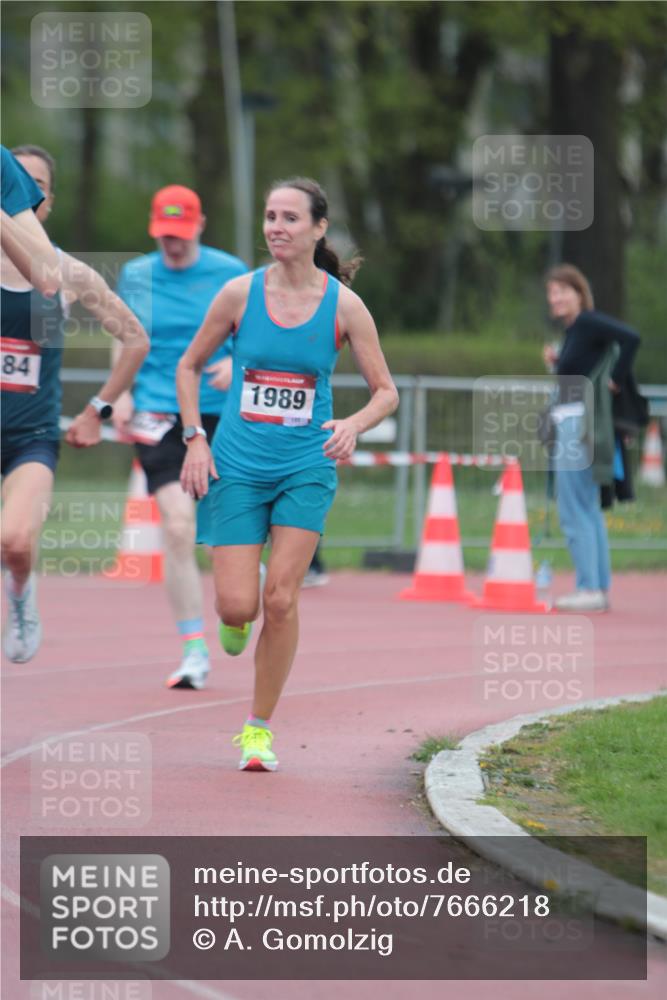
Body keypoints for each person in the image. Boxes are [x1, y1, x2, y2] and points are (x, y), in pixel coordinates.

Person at [178, 176, 399, 772]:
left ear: (319, 228)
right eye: (271, 216)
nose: (276, 227)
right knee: (237, 607)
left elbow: (386, 392)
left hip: (306, 465)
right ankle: (235, 614)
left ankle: (257, 729)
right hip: (237, 465)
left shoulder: (344, 307)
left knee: (280, 599)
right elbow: (190, 366)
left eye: (290, 218)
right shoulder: (238, 295)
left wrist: (353, 424)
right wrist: (195, 437)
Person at [1, 145, 149, 663]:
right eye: (14, 184)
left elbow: (135, 338)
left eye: (34, 187)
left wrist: (98, 409)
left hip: (29, 437)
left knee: (15, 541)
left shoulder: (66, 274)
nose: (22, 195)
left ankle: (21, 593)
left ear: (48, 201)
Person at [113, 185, 247, 690]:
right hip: (158, 411)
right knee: (176, 525)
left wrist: (235, 364)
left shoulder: (230, 272)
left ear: (200, 226)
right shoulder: (137, 275)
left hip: (220, 413)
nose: (173, 243)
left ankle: (239, 600)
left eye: (181, 234)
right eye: (165, 235)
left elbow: (255, 334)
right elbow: (124, 335)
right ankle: (194, 649)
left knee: (225, 537)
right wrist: (118, 393)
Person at [543, 264, 640, 612]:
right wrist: (557, 363)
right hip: (579, 421)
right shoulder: (575, 331)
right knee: (587, 507)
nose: (555, 298)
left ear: (579, 293)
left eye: (562, 291)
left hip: (577, 423)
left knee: (573, 508)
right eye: (552, 293)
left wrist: (616, 379)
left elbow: (631, 337)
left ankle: (588, 588)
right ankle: (597, 588)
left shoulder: (587, 322)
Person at [1, 144, 61, 297]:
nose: (25, 194)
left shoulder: (76, 273)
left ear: (50, 201)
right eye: (17, 185)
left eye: (37, 186)